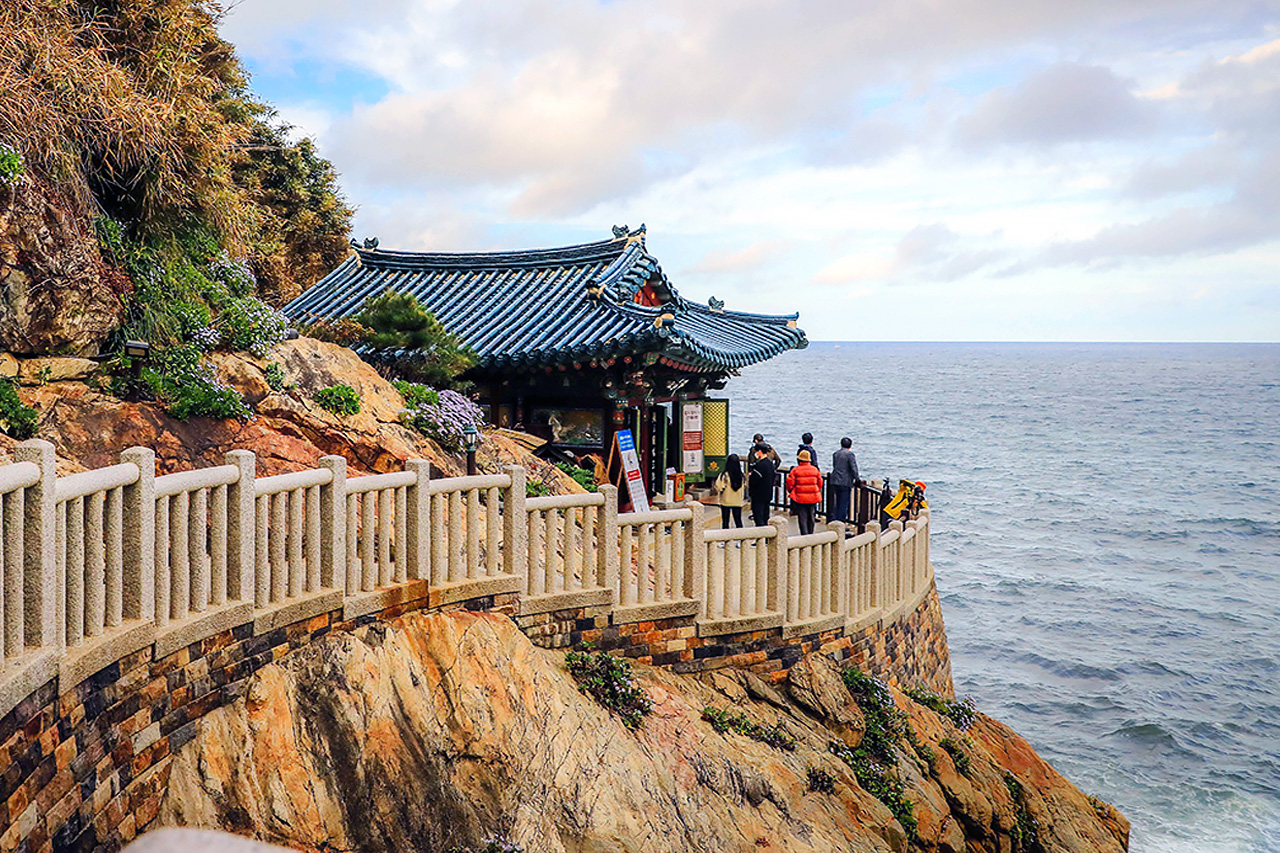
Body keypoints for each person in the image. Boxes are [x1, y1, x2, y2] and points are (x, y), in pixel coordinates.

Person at [786, 449, 823, 535]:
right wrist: (815, 490)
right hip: (813, 497)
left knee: (802, 517)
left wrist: (792, 491)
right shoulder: (815, 470)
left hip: (800, 497)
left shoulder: (795, 470)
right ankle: (811, 533)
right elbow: (820, 482)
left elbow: (789, 483)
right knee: (811, 515)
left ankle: (804, 534)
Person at [829, 437, 860, 524]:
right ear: (850, 445)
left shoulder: (836, 454)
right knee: (843, 503)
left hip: (835, 480)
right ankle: (840, 522)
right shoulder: (850, 454)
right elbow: (853, 468)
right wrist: (857, 478)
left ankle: (834, 519)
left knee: (837, 501)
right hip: (845, 481)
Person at [747, 445, 778, 527]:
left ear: (760, 452)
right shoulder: (770, 464)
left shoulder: (759, 465)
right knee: (765, 515)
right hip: (768, 493)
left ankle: (760, 533)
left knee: (758, 516)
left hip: (758, 495)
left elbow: (754, 481)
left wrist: (751, 477)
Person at [714, 454, 745, 529]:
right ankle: (741, 535)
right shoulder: (741, 476)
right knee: (738, 520)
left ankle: (726, 535)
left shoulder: (724, 475)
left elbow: (719, 487)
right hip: (737, 501)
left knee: (725, 521)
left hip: (726, 501)